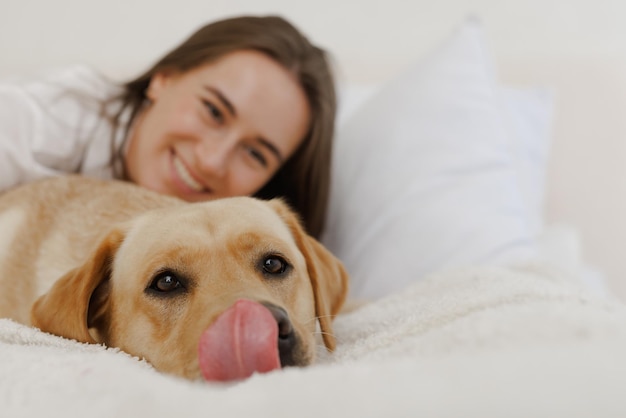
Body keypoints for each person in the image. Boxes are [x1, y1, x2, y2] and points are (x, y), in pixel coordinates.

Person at [0, 15, 337, 238]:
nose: (212, 161)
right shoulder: (38, 124)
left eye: (254, 154)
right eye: (213, 111)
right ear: (164, 78)